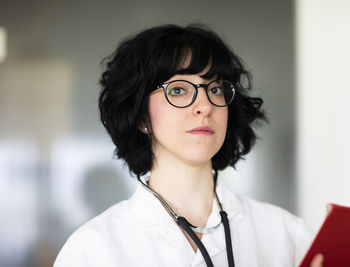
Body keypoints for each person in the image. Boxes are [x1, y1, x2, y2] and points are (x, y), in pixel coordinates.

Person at [54, 24, 323, 267]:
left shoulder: (288, 235)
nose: (205, 106)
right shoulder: (92, 250)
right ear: (141, 117)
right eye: (178, 90)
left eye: (215, 88)